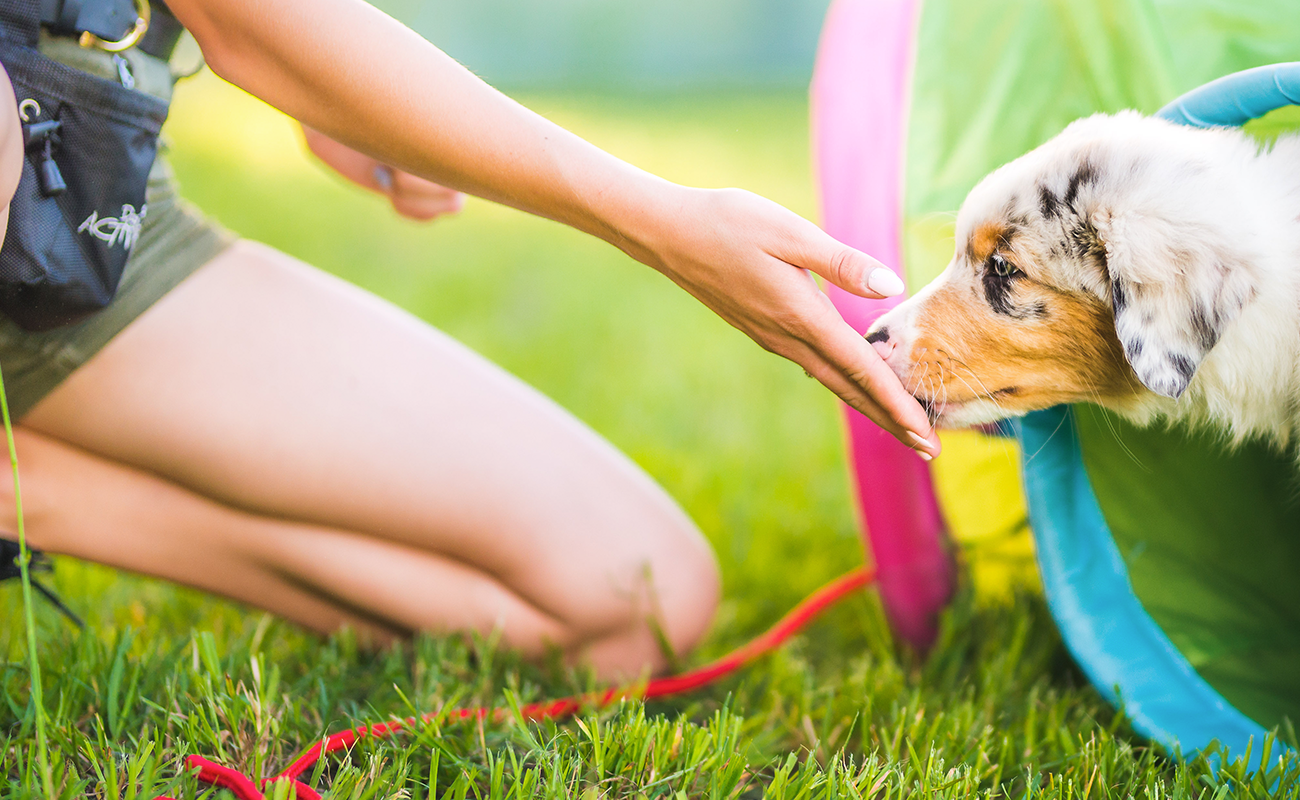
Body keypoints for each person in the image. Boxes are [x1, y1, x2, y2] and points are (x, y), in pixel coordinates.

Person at [0, 0, 941, 681]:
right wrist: (665, 225)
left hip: (88, 210)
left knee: (635, 598)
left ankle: (26, 494)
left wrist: (315, 93)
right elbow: (256, 27)